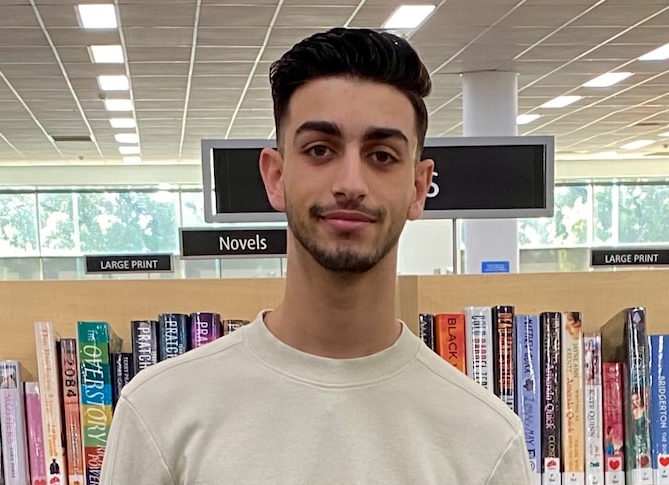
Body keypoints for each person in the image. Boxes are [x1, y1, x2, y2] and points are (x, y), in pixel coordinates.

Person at [100, 27, 533, 484]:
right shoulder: (160, 411)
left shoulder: (484, 437)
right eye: (320, 150)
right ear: (275, 175)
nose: (350, 182)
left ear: (419, 187)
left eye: (382, 155)